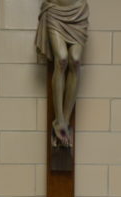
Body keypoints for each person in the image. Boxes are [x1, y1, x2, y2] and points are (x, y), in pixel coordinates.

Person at [35, 0, 89, 148]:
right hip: (55, 11)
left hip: (78, 10)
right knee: (61, 59)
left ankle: (65, 121)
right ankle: (59, 120)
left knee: (75, 60)